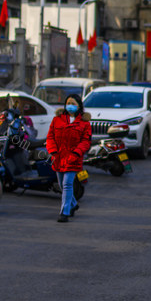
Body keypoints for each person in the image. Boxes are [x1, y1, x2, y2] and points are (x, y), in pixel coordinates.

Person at [45, 94, 92, 223]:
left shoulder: (84, 123)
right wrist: (53, 151)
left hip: (73, 158)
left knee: (67, 184)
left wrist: (76, 153)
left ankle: (64, 212)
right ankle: (73, 204)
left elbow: (85, 141)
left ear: (79, 106)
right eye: (68, 103)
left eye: (73, 103)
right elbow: (50, 137)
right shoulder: (57, 120)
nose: (70, 105)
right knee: (61, 184)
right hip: (58, 157)